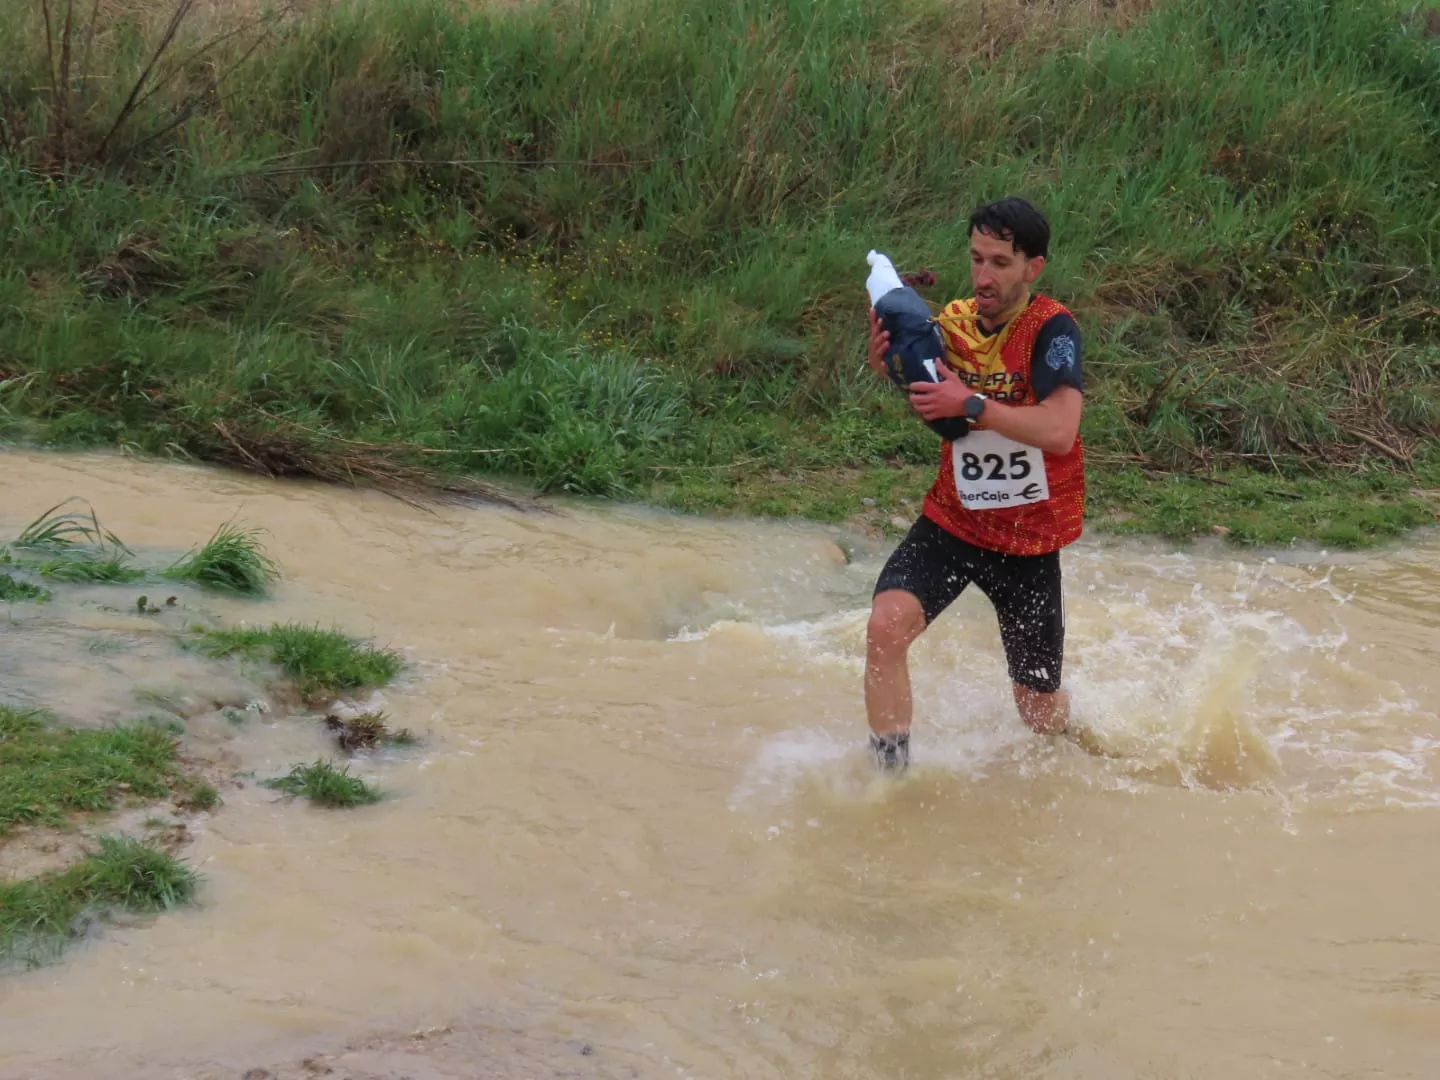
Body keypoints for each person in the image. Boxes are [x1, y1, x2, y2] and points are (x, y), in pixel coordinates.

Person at [863, 196, 1086, 771]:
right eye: (976, 259)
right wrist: (889, 365)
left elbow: (1060, 431)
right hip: (954, 523)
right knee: (885, 627)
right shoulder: (954, 323)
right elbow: (931, 393)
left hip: (1029, 543)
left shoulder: (1051, 329)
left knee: (1036, 711)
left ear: (1033, 267)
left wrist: (973, 403)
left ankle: (1081, 740)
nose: (983, 277)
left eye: (1000, 263)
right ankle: (890, 779)